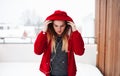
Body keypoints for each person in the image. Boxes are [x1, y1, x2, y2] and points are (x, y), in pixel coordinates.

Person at [34, 10, 85, 76]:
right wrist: (44, 31)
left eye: (62, 26)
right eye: (56, 26)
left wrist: (75, 31)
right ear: (52, 25)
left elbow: (80, 52)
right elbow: (37, 51)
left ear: (66, 25)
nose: (59, 29)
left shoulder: (70, 38)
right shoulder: (47, 37)